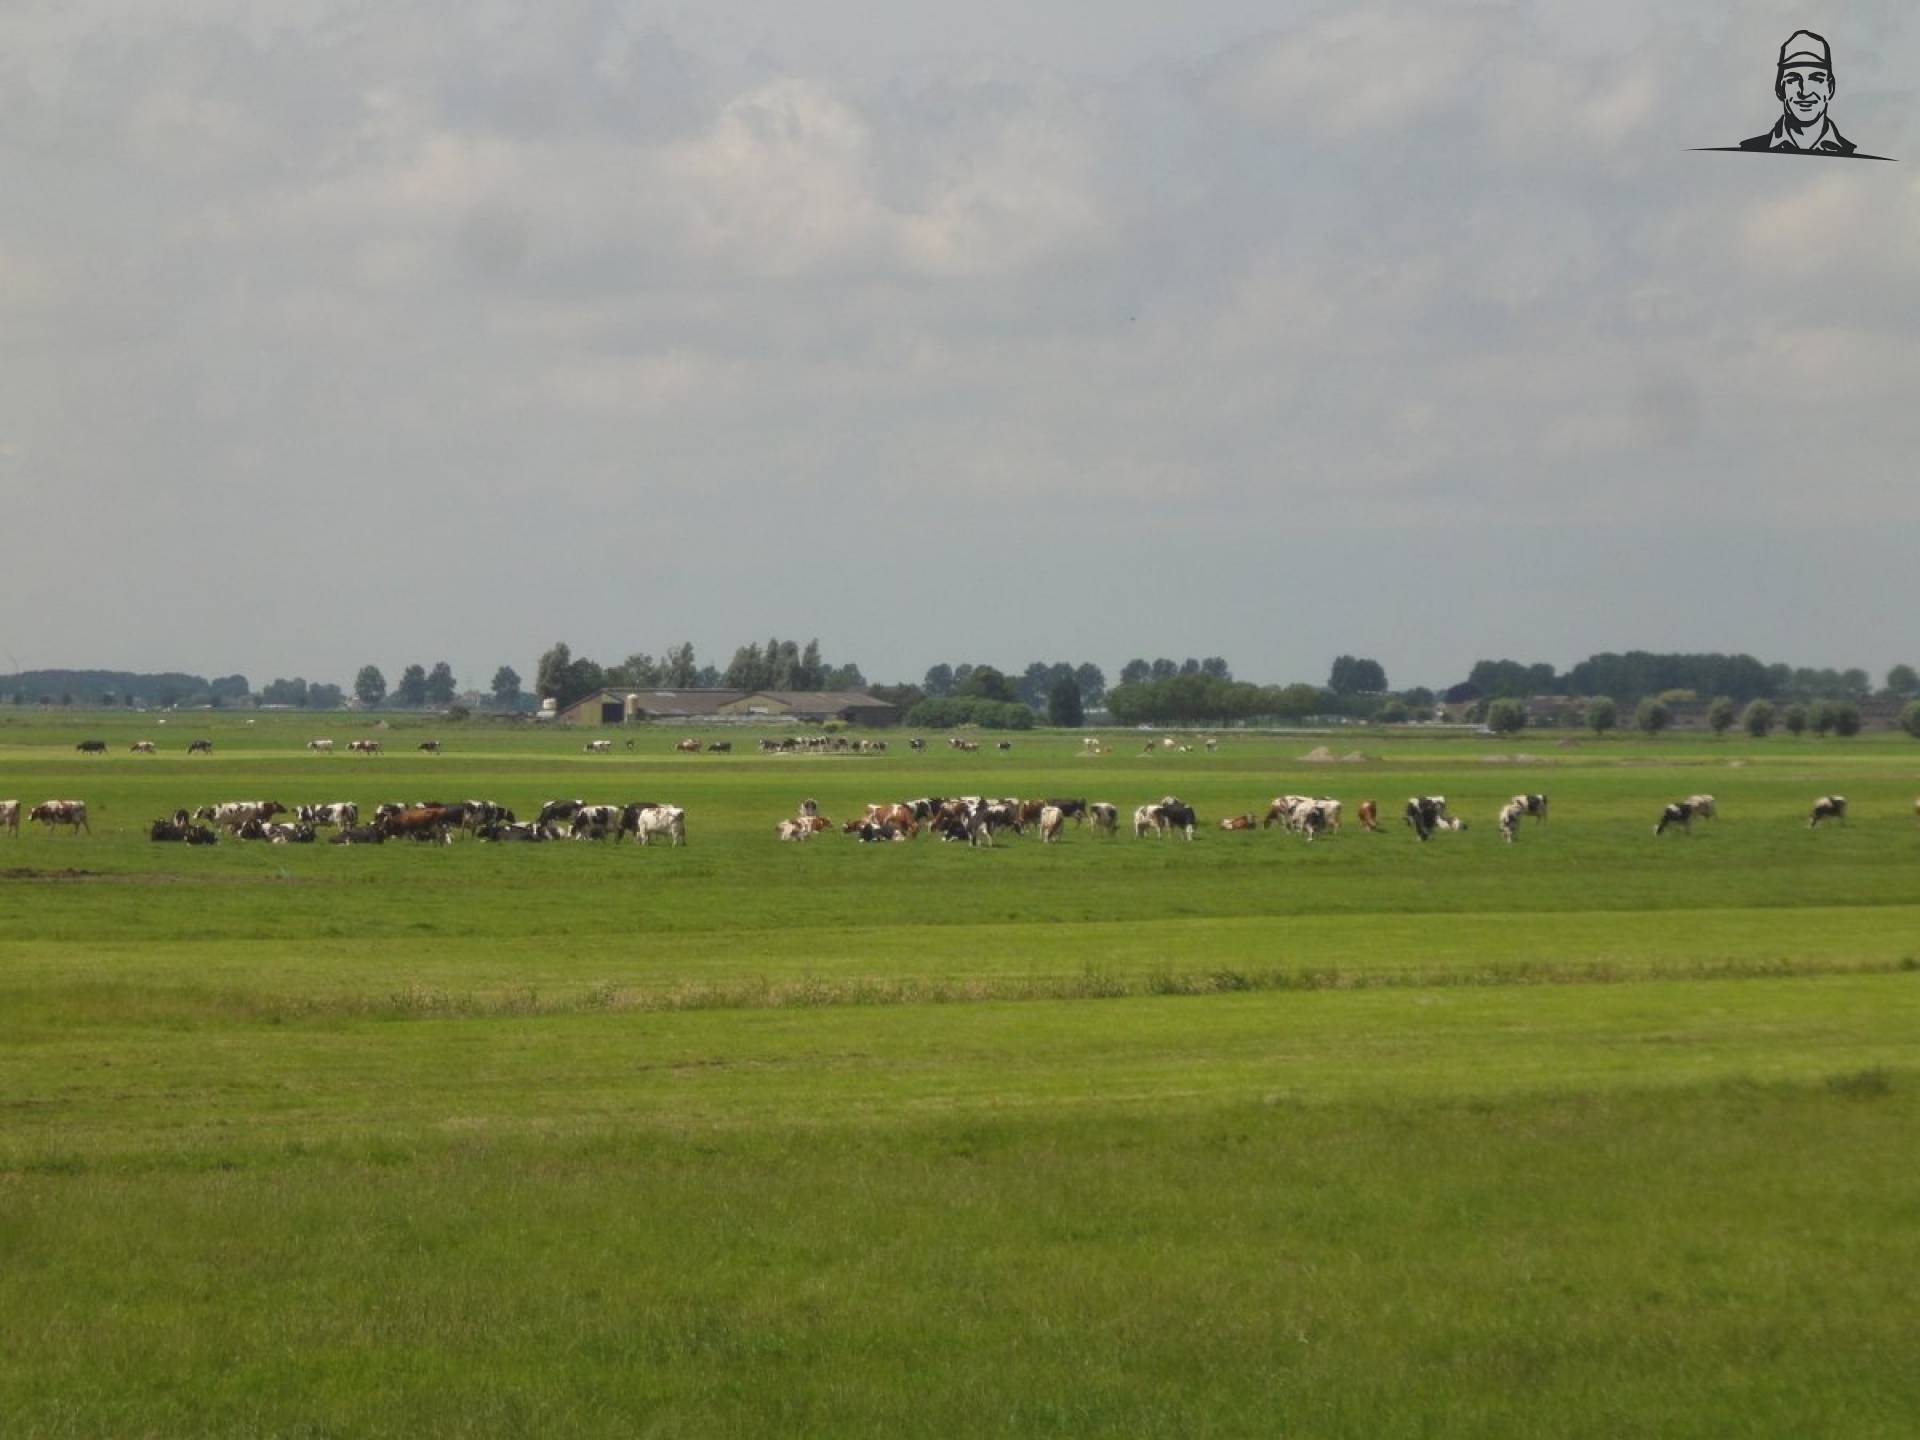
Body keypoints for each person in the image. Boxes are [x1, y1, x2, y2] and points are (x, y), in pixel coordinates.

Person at [1739, 30, 1854, 154]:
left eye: (1816, 79)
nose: (1805, 92)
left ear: (1830, 88)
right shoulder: (1749, 151)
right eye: (1793, 79)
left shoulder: (1853, 154)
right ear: (1780, 89)